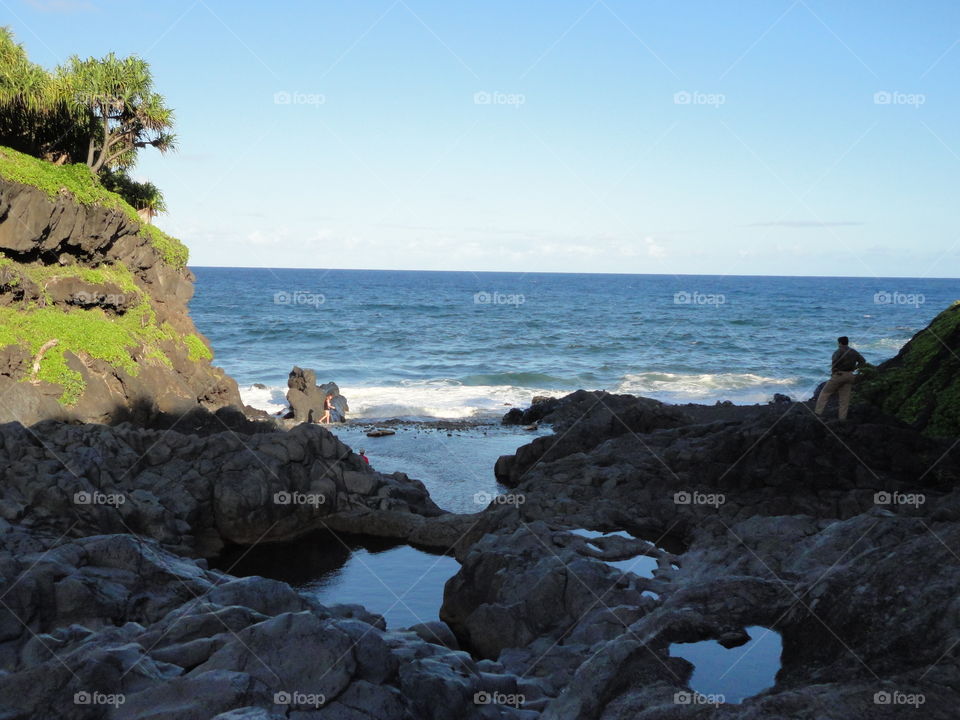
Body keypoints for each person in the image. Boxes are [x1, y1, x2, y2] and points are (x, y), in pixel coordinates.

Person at [814, 336, 866, 421]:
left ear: (840, 343)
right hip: (850, 375)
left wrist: (833, 374)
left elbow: (834, 363)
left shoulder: (838, 351)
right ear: (847, 342)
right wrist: (855, 368)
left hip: (839, 375)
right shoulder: (853, 351)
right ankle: (842, 419)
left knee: (825, 393)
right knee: (844, 399)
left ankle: (818, 413)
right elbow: (863, 361)